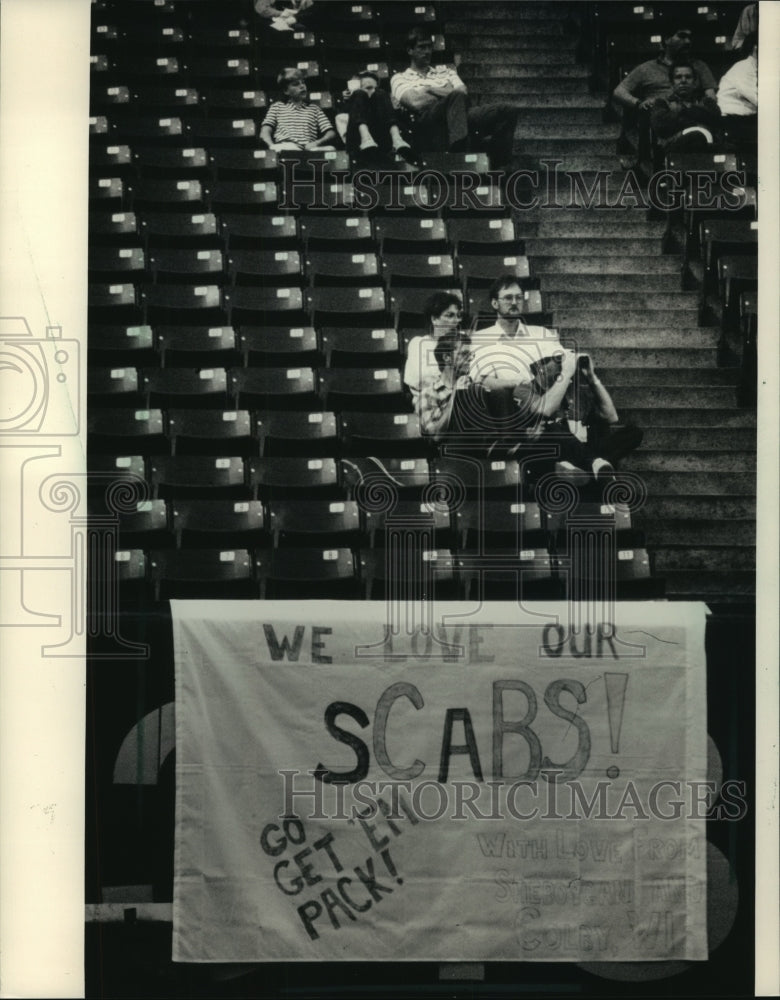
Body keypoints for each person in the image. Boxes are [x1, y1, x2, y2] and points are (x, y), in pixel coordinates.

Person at [390, 29, 520, 167]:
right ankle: (459, 153)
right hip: (428, 122)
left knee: (508, 111)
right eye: (422, 47)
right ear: (410, 50)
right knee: (455, 96)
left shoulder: (446, 72)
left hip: (460, 115)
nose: (427, 51)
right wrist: (447, 92)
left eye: (429, 47)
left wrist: (430, 89)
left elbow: (463, 92)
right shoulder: (399, 78)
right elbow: (415, 102)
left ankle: (497, 164)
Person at [612, 28, 716, 164]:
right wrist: (638, 103)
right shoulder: (646, 68)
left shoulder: (699, 66)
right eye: (682, 37)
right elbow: (619, 92)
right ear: (667, 39)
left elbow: (711, 97)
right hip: (660, 121)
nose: (688, 41)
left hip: (691, 114)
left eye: (690, 38)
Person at [403, 291, 466, 405]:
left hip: (459, 400)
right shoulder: (419, 343)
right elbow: (417, 379)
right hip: (430, 403)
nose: (456, 321)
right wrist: (452, 375)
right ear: (434, 319)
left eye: (458, 316)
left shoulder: (462, 344)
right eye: (449, 315)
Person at [649, 61, 722, 155]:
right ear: (672, 83)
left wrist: (683, 112)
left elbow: (717, 121)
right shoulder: (662, 103)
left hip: (707, 152)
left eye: (688, 77)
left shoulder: (707, 102)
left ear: (695, 83)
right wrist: (696, 116)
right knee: (696, 135)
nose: (683, 80)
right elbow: (661, 126)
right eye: (678, 77)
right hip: (674, 153)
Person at [341, 71, 413, 165]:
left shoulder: (380, 98)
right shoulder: (353, 101)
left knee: (381, 93)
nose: (373, 91)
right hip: (357, 145)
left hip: (383, 143)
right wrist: (348, 101)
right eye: (369, 88)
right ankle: (366, 138)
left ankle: (397, 139)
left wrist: (397, 110)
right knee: (360, 94)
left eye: (375, 88)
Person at [259, 68, 337, 151]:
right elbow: (265, 132)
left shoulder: (314, 109)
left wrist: (316, 143)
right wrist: (271, 146)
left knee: (331, 149)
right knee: (290, 148)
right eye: (296, 84)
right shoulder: (277, 107)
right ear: (286, 91)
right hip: (286, 147)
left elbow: (330, 133)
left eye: (303, 83)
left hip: (308, 149)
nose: (302, 86)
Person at [717, 34, 757, 151]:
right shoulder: (743, 68)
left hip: (749, 121)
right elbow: (760, 100)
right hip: (733, 123)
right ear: (756, 48)